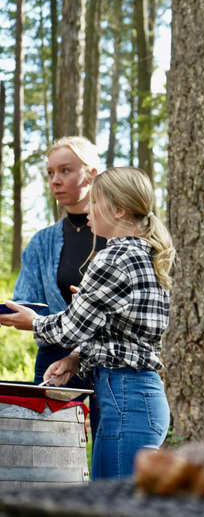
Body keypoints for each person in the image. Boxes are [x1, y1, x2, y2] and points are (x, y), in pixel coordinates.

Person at [0, 167, 174, 479]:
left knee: (115, 506)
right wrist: (75, 358)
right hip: (136, 398)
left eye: (94, 203)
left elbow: (70, 328)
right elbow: (123, 335)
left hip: (127, 400)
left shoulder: (113, 257)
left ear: (118, 209)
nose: (87, 211)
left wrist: (33, 322)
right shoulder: (142, 253)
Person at [4, 136, 107, 440]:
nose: (55, 181)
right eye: (50, 173)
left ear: (92, 173)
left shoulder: (118, 234)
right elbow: (27, 303)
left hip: (109, 357)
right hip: (54, 358)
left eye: (65, 171)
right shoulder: (41, 242)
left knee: (108, 451)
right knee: (50, 448)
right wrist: (18, 313)